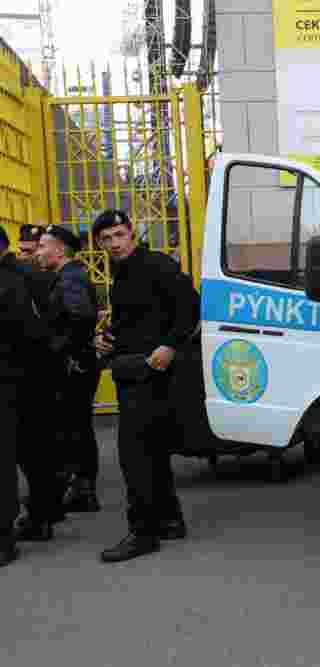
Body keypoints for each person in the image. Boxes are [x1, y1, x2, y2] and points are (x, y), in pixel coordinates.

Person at [91, 209, 199, 563]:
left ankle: (143, 532)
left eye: (119, 235)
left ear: (132, 234)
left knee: (135, 456)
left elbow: (190, 306)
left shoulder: (156, 265)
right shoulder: (120, 274)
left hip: (154, 374)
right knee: (151, 452)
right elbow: (133, 322)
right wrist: (108, 339)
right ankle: (169, 519)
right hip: (134, 371)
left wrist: (170, 345)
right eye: (106, 239)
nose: (114, 244)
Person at [35, 225, 102, 513]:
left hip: (73, 364)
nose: (39, 252)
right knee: (76, 424)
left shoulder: (71, 277)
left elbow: (81, 317)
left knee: (74, 426)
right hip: (76, 360)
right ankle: (81, 488)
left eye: (42, 246)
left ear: (59, 250)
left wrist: (63, 350)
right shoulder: (66, 275)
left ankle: (82, 489)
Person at [0, 228, 51, 564]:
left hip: (11, 376)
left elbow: (27, 330)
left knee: (9, 455)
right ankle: (42, 515)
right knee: (32, 449)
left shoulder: (10, 281)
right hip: (29, 376)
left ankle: (6, 537)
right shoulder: (29, 274)